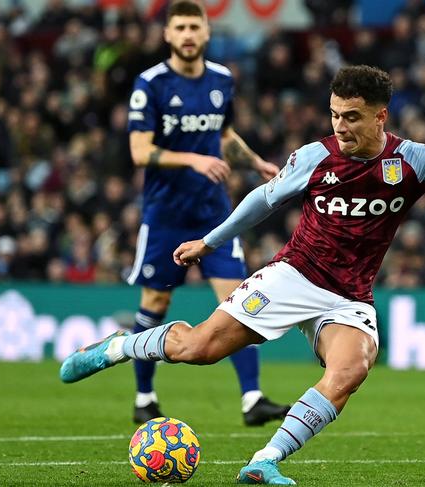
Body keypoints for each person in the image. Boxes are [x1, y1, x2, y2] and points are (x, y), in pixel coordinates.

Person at [61, 65, 425, 484]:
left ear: (380, 116)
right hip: (293, 277)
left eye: (352, 117)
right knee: (198, 350)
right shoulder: (315, 157)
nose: (340, 126)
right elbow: (262, 199)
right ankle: (116, 347)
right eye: (334, 115)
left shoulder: (411, 161)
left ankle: (264, 462)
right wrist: (210, 240)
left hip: (349, 298)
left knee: (352, 369)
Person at [124, 0, 288, 425]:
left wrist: (255, 162)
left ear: (206, 33)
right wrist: (194, 161)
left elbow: (225, 135)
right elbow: (139, 151)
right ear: (167, 35)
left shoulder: (221, 79)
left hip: (214, 216)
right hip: (165, 217)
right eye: (179, 28)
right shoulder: (150, 84)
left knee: (238, 303)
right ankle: (144, 396)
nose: (188, 35)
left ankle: (252, 400)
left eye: (194, 27)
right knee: (155, 301)